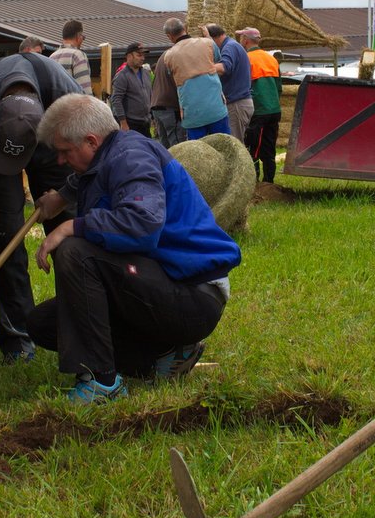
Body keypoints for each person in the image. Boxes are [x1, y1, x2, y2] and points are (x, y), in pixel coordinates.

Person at [26, 94, 241, 403]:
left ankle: (103, 382)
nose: (60, 161)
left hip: (193, 295)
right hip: (161, 286)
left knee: (75, 250)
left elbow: (143, 224)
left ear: (91, 141)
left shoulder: (130, 157)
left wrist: (70, 225)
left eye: (64, 152)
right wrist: (59, 198)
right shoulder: (111, 155)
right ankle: (164, 357)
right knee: (45, 324)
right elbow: (92, 180)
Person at [0, 51, 83, 362]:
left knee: (70, 234)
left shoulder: (67, 99)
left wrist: (63, 195)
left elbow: (96, 161)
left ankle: (78, 330)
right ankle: (19, 340)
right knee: (4, 232)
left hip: (54, 150)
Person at [160, 18, 229, 139]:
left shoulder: (169, 56)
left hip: (192, 113)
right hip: (216, 108)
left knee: (197, 152)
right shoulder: (208, 43)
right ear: (185, 29)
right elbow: (217, 60)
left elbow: (172, 75)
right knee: (225, 146)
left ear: (169, 36)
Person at [238, 27, 282, 183]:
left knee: (252, 148)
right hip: (274, 109)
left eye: (241, 37)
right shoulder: (271, 59)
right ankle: (269, 182)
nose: (240, 41)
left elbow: (243, 86)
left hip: (259, 110)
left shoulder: (246, 59)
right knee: (269, 148)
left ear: (246, 40)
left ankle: (253, 182)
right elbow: (279, 87)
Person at [205, 23, 254, 141]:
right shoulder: (232, 45)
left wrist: (203, 67)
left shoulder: (229, 47)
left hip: (236, 104)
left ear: (212, 39)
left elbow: (224, 67)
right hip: (240, 103)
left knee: (234, 145)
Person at [110, 42, 152, 137]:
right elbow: (116, 100)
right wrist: (123, 123)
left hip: (145, 123)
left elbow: (149, 95)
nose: (142, 58)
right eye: (139, 55)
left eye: (143, 55)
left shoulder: (146, 73)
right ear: (129, 56)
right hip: (131, 124)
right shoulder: (122, 76)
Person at [150, 43, 187, 148]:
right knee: (177, 145)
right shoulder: (175, 57)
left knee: (164, 144)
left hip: (157, 107)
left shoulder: (164, 55)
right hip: (169, 108)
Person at [50, 20, 93, 94]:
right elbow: (84, 88)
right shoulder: (77, 55)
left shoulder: (52, 57)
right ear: (78, 36)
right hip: (73, 103)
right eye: (83, 37)